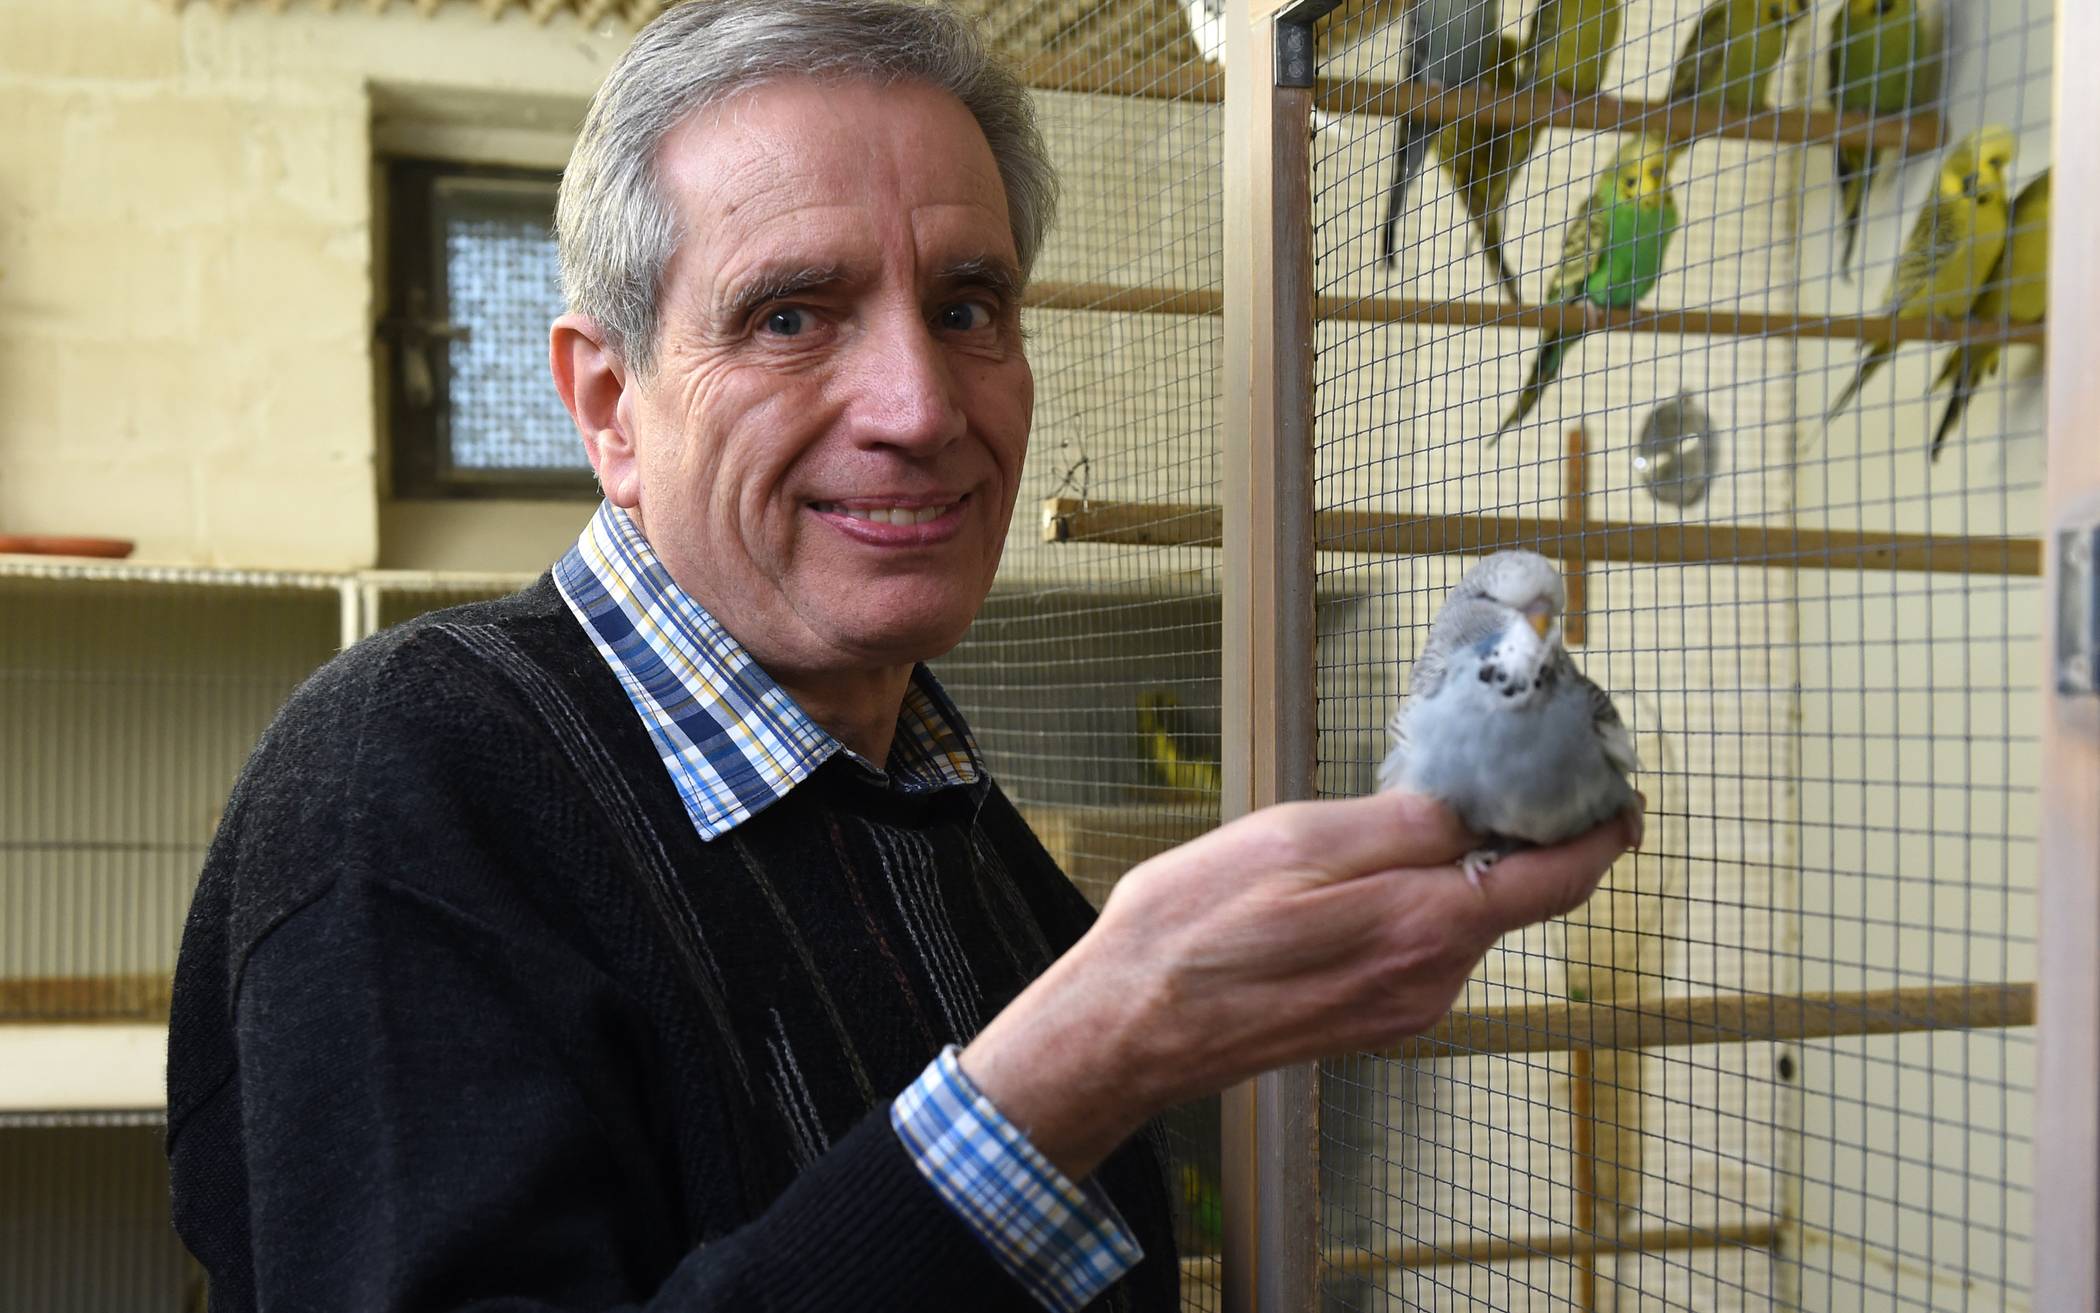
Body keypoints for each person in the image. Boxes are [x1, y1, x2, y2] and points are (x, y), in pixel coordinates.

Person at [163, 2, 1638, 1309]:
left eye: (965, 307)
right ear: (610, 405)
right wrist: (1077, 1063)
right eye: (792, 314)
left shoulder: (953, 825)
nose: (920, 405)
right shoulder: (409, 781)